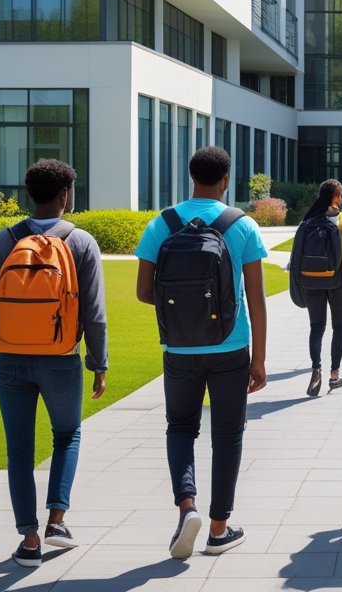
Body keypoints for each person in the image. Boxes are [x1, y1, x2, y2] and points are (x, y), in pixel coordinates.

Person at [135, 146, 268, 559]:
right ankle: (218, 529)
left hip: (179, 348)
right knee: (227, 437)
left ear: (190, 176)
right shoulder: (241, 225)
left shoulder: (163, 224)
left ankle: (186, 506)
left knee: (180, 428)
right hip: (231, 346)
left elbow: (143, 291)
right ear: (226, 179)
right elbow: (257, 299)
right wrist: (259, 359)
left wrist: (184, 310)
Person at [0, 159, 108, 568]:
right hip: (61, 359)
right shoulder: (81, 242)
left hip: (10, 360)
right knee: (66, 435)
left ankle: (29, 540)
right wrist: (98, 363)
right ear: (66, 195)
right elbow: (95, 313)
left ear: (28, 195)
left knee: (19, 451)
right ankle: (57, 521)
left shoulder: (3, 240)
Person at [300, 179, 342, 396]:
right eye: (340, 195)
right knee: (339, 328)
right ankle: (334, 375)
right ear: (334, 197)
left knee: (317, 327)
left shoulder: (309, 219)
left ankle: (316, 368)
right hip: (338, 280)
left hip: (311, 280)